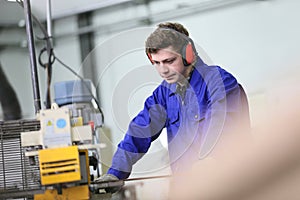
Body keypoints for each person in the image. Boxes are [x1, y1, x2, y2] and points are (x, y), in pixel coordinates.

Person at [95, 22, 250, 191]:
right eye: (157, 63)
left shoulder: (219, 82)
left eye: (169, 61)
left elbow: (222, 128)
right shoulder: (163, 94)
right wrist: (115, 173)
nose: (163, 70)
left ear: (188, 55)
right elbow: (139, 131)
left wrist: (207, 164)